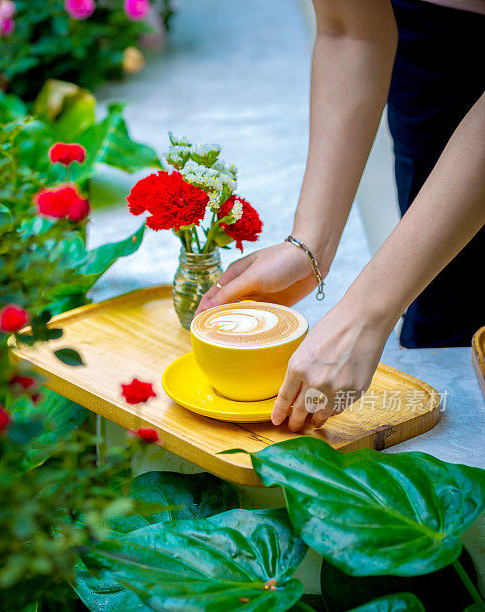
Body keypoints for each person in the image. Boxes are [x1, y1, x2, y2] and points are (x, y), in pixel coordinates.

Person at [196, 0, 485, 431]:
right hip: (430, 53)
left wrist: (365, 316)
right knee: (446, 349)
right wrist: (309, 243)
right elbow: (350, 31)